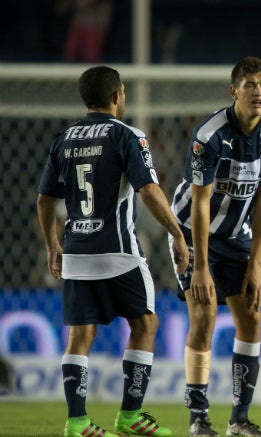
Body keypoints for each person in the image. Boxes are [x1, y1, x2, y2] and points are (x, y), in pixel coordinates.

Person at [36, 65, 189, 437]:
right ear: (117, 96)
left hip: (75, 252)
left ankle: (76, 422)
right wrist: (177, 233)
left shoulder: (64, 138)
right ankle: (130, 415)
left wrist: (52, 246)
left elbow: (44, 199)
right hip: (118, 252)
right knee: (145, 324)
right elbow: (149, 191)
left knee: (79, 336)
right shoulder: (127, 135)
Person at [169, 56, 261, 437]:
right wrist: (201, 266)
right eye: (251, 84)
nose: (259, 91)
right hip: (191, 230)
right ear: (234, 90)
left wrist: (256, 263)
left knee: (251, 316)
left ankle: (239, 420)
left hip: (238, 234)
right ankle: (198, 419)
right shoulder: (210, 135)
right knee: (203, 317)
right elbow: (201, 202)